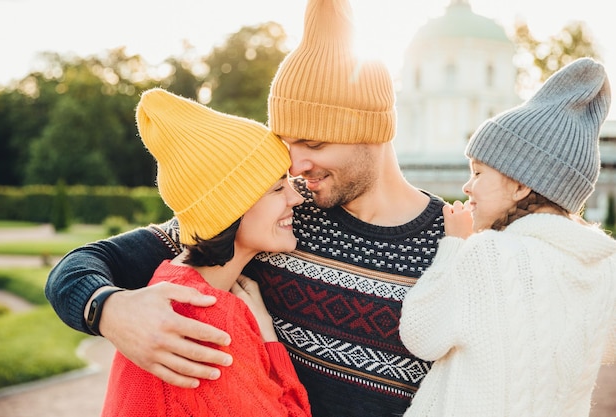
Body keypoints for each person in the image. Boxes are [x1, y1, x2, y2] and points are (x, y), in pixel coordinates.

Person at [45, 0, 446, 415]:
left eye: (315, 144)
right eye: (289, 144)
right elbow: (82, 265)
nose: (294, 165)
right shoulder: (274, 216)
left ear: (372, 132)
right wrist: (108, 310)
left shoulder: (454, 242)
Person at [399, 57, 616, 417]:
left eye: (479, 172)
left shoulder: (487, 253)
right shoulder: (604, 268)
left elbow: (422, 337)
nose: (468, 186)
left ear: (519, 185)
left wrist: (452, 247)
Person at [100, 87, 311, 417]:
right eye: (276, 188)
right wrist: (268, 336)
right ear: (230, 209)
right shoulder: (211, 319)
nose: (296, 198)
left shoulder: (168, 281)